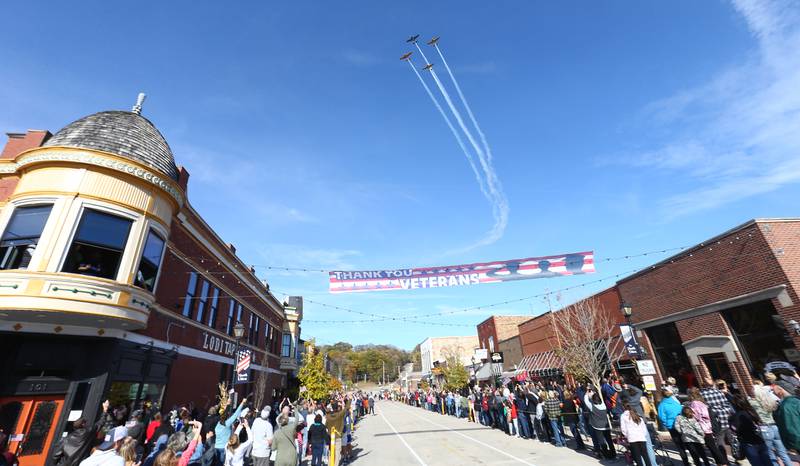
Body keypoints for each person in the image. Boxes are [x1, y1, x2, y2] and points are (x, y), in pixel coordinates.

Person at [749, 379, 792, 466]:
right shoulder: (769, 401)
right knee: (783, 453)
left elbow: (747, 400)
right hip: (774, 427)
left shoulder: (753, 402)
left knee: (770, 454)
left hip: (765, 428)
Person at [687, 387, 728, 465]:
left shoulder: (694, 403)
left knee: (712, 447)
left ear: (690, 395)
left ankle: (723, 463)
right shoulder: (701, 402)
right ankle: (720, 463)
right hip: (708, 426)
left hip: (702, 427)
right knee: (712, 446)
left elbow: (697, 416)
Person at [729, 394, 772, 466]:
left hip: (748, 443)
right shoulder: (751, 411)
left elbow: (734, 429)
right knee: (768, 462)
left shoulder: (737, 416)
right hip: (760, 440)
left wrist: (730, 421)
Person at [699, 377, 734, 461]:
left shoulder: (702, 394)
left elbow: (703, 408)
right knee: (731, 439)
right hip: (726, 418)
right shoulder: (719, 392)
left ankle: (724, 460)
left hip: (716, 420)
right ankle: (738, 455)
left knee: (719, 441)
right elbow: (728, 403)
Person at [658, 387, 691, 466]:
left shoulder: (662, 405)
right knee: (688, 442)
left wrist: (667, 424)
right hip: (681, 424)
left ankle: (686, 463)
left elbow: (661, 417)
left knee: (679, 445)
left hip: (672, 426)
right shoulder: (676, 402)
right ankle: (695, 459)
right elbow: (682, 411)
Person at [213, 396, 247, 462]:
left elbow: (223, 413)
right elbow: (236, 413)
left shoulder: (217, 423)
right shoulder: (227, 423)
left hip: (216, 447)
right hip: (224, 448)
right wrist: (242, 402)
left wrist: (228, 404)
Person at [771, 380, 800, 453]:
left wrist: (793, 447)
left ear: (781, 391)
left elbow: (792, 428)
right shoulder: (797, 401)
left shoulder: (786, 406)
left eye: (774, 390)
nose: (773, 393)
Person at [587, 392, 615, 459]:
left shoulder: (592, 407)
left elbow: (586, 401)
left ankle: (606, 454)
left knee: (601, 441)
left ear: (593, 400)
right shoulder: (603, 405)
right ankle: (613, 453)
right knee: (609, 440)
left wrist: (587, 394)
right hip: (605, 425)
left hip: (597, 426)